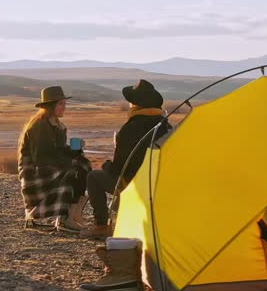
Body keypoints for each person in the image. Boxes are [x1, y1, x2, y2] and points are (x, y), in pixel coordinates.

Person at [80, 79, 171, 239]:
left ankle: (101, 225)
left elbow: (120, 168)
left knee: (94, 177)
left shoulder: (131, 128)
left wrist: (106, 165)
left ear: (135, 105)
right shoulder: (165, 126)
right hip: (158, 184)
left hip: (134, 183)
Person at [18, 86, 91, 233]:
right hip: (35, 171)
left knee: (84, 165)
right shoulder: (39, 127)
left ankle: (72, 215)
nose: (64, 107)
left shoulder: (57, 125)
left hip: (50, 164)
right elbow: (42, 157)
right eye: (61, 104)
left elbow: (59, 150)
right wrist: (69, 162)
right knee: (73, 171)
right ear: (51, 106)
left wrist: (75, 149)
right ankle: (64, 219)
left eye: (64, 104)